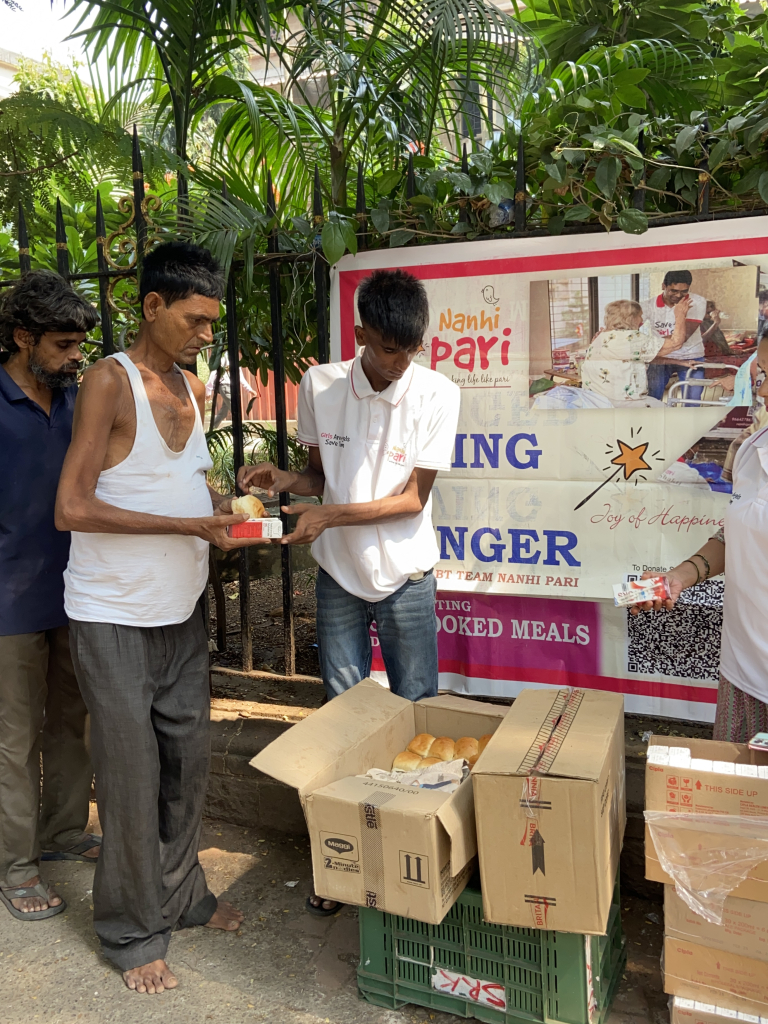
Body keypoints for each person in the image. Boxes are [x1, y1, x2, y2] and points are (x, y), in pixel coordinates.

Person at [55, 242, 270, 994]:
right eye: (195, 319)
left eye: (213, 321)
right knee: (129, 776)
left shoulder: (191, 383)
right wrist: (187, 528)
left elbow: (186, 484)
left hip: (181, 613)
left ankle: (181, 899)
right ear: (151, 307)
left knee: (185, 767)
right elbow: (71, 506)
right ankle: (129, 930)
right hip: (112, 616)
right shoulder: (106, 383)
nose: (208, 333)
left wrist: (223, 510)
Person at [239, 269, 461, 914]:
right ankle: (347, 857)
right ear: (361, 333)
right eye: (388, 349)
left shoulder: (436, 394)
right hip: (338, 573)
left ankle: (417, 855)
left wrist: (327, 515)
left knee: (416, 708)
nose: (399, 363)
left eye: (410, 349)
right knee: (342, 715)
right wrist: (281, 480)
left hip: (407, 572)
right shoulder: (320, 384)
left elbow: (412, 499)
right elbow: (318, 475)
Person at [0, 272, 102, 922]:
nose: (75, 357)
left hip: (78, 591)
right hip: (7, 602)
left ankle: (62, 834)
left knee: (71, 723)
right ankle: (16, 868)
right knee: (13, 739)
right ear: (21, 338)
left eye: (78, 345)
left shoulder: (76, 400)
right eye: (63, 345)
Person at [633, 333, 768, 741]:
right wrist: (680, 576)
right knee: (736, 801)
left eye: (764, 371)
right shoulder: (750, 448)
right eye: (759, 368)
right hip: (744, 673)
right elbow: (733, 538)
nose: (756, 381)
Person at [580, 298, 688, 405]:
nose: (642, 320)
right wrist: (680, 315)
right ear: (631, 318)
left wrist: (679, 362)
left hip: (595, 401)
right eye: (640, 316)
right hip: (620, 403)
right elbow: (676, 343)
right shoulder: (631, 338)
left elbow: (643, 356)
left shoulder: (602, 336)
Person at [642, 270, 707, 403]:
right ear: (663, 286)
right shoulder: (648, 305)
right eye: (673, 290)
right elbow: (629, 332)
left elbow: (682, 338)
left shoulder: (697, 302)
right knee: (652, 399)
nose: (678, 295)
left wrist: (649, 345)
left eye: (684, 291)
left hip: (691, 356)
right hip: (661, 357)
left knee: (692, 401)